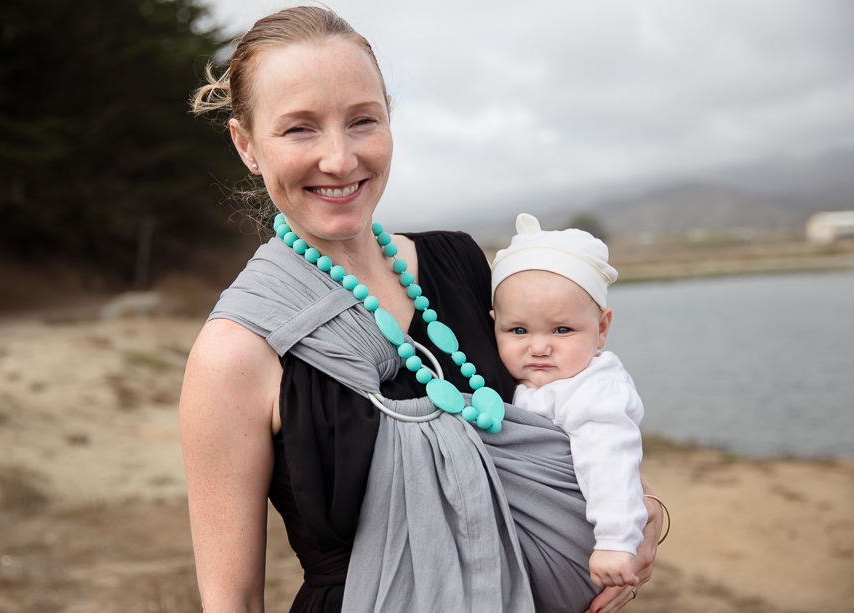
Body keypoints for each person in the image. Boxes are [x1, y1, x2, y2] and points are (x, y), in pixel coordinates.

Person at [181, 6, 664, 613]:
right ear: (247, 145)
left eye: (362, 121)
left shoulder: (463, 264)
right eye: (299, 129)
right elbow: (233, 602)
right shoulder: (236, 350)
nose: (339, 159)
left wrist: (645, 513)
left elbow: (564, 403)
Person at [490, 213, 647, 590]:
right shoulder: (529, 382)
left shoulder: (594, 388)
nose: (539, 346)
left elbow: (610, 459)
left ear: (601, 329)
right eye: (518, 330)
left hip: (587, 549)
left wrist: (615, 540)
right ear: (493, 324)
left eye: (562, 330)